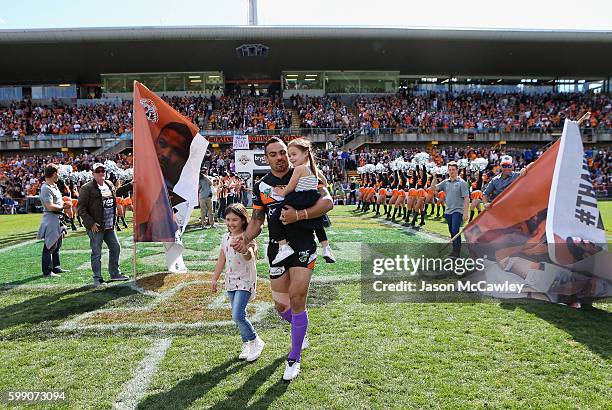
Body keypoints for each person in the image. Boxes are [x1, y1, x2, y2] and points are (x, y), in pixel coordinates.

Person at [232, 136, 334, 381]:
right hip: (277, 248)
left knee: (298, 298)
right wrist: (245, 238)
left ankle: (294, 357)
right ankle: (302, 330)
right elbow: (257, 219)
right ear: (266, 158)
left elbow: (328, 202)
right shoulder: (262, 185)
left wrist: (299, 215)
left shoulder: (305, 172)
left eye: (282, 153)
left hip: (303, 245)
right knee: (281, 306)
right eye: (273, 154)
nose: (279, 158)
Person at [268, 138, 334, 265]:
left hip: (298, 198)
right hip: (312, 197)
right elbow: (324, 183)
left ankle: (283, 246)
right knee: (317, 222)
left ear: (305, 154)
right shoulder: (314, 168)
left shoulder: (299, 169)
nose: (291, 158)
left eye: (294, 154)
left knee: (274, 219)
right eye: (289, 155)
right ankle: (326, 248)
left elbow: (291, 187)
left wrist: (281, 192)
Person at [211, 203, 264, 362]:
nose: (230, 223)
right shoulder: (225, 238)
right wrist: (214, 278)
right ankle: (246, 343)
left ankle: (255, 341)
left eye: (235, 219)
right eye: (228, 219)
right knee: (240, 315)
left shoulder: (249, 238)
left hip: (245, 281)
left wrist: (244, 250)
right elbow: (222, 259)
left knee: (237, 315)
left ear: (243, 220)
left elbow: (250, 257)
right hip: (230, 281)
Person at [77, 163, 129, 286]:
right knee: (97, 253)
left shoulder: (109, 184)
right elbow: (81, 209)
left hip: (109, 226)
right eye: (98, 171)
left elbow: (117, 193)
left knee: (115, 248)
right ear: (93, 173)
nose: (101, 173)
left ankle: (115, 273)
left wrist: (131, 185)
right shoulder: (87, 188)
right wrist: (91, 223)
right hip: (97, 227)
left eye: (103, 171)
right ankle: (97, 278)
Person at [37, 164, 71, 278]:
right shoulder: (46, 188)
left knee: (57, 245)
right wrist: (63, 207)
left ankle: (56, 267)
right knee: (50, 245)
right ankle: (47, 271)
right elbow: (50, 206)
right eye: (58, 173)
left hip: (57, 218)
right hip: (51, 218)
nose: (59, 176)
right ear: (54, 174)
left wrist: (63, 205)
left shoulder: (54, 186)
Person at [431, 161, 470, 258]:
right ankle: (454, 250)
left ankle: (457, 253)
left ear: (457, 170)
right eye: (450, 170)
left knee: (455, 230)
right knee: (452, 232)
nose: (451, 171)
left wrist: (465, 212)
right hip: (448, 211)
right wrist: (434, 178)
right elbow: (433, 189)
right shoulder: (446, 182)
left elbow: (466, 198)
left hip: (458, 210)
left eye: (453, 170)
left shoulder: (462, 183)